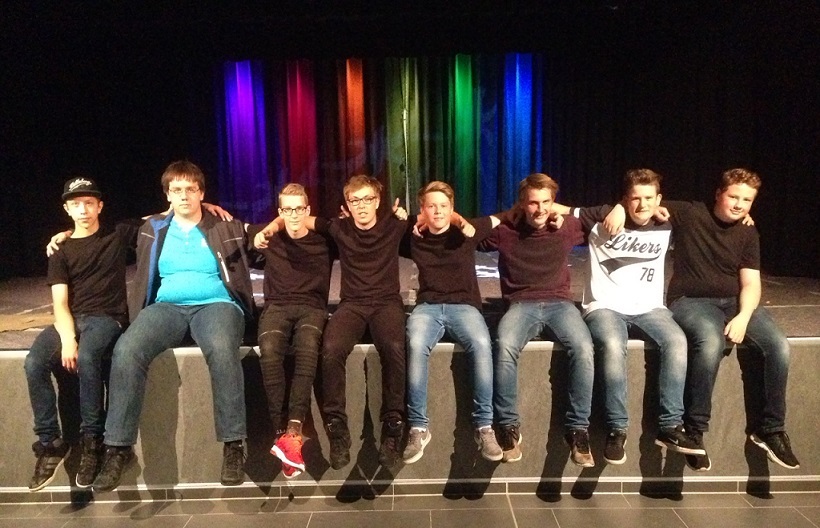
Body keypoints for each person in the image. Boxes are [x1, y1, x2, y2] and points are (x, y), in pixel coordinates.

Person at [90, 160, 256, 492]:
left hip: (216, 304)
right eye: (176, 190)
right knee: (127, 349)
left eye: (190, 189)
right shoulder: (152, 228)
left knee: (222, 349)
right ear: (167, 195)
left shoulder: (224, 226)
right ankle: (118, 448)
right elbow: (100, 229)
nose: (184, 196)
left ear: (202, 193)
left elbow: (266, 233)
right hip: (167, 307)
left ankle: (233, 445)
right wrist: (66, 235)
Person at [553, 169, 704, 465]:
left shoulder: (667, 221)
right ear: (625, 198)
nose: (642, 204)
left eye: (649, 198)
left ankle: (670, 426)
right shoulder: (602, 217)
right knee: (612, 345)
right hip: (605, 306)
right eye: (634, 198)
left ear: (659, 199)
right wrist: (617, 209)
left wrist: (746, 219)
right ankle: (617, 429)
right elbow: (559, 208)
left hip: (650, 308)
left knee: (677, 341)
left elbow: (712, 214)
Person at [258, 175, 407, 470]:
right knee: (330, 349)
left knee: (393, 346)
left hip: (386, 303)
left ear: (378, 201)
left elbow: (431, 217)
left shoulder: (396, 225)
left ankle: (392, 427)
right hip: (352, 304)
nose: (361, 206)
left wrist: (407, 214)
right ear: (346, 205)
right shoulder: (338, 228)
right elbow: (300, 218)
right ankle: (337, 429)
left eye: (367, 199)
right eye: (355, 200)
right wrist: (272, 226)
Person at [25, 177, 139, 491]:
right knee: (34, 362)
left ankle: (92, 441)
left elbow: (164, 216)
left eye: (89, 203)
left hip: (107, 317)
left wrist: (206, 206)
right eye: (76, 204)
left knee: (89, 357)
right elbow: (60, 303)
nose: (83, 210)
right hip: (73, 319)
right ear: (67, 209)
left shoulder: (117, 234)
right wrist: (67, 339)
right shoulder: (60, 250)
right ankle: (50, 443)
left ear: (100, 206)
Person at [479, 173, 596, 466]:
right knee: (504, 345)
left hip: (560, 304)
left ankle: (577, 429)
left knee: (584, 348)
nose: (540, 209)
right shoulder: (506, 231)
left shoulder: (567, 227)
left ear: (553, 202)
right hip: (521, 304)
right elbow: (472, 233)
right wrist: (506, 215)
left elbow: (602, 217)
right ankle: (508, 426)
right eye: (533, 203)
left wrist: (565, 211)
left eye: (546, 202)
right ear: (522, 203)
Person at [400, 181, 503, 464]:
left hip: (464, 306)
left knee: (481, 343)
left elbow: (506, 216)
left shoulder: (467, 231)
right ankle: (418, 427)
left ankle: (484, 426)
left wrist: (459, 220)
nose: (438, 211)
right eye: (431, 206)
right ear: (422, 210)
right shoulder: (413, 236)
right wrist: (412, 220)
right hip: (428, 307)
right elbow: (388, 223)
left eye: (444, 206)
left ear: (452, 208)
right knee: (415, 344)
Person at [249, 183, 336, 479]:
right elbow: (234, 226)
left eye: (299, 208)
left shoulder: (323, 239)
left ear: (307, 209)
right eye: (287, 209)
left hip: (312, 306)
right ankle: (283, 433)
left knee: (308, 346)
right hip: (277, 306)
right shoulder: (269, 237)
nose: (294, 215)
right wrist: (268, 229)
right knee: (270, 350)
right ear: (280, 211)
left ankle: (294, 428)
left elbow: (344, 228)